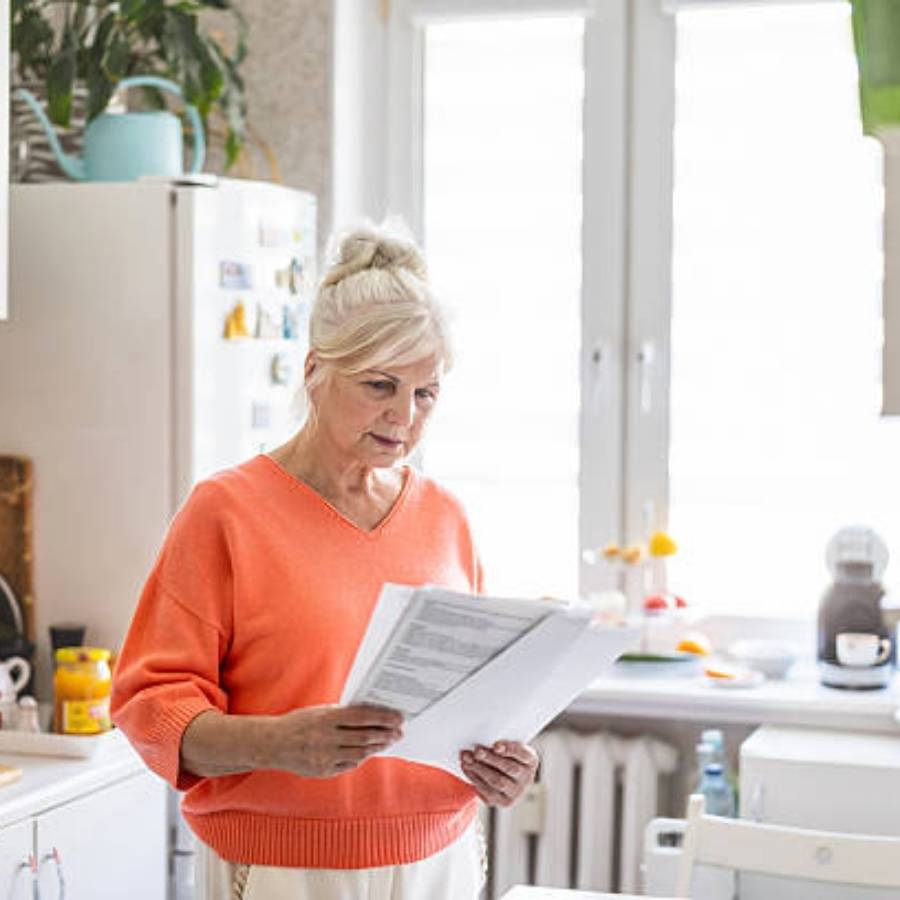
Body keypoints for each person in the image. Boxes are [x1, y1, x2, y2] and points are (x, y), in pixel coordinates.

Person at [111, 223, 539, 900]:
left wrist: (504, 761)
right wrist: (278, 745)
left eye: (426, 394)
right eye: (380, 386)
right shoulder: (225, 512)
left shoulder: (446, 518)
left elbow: (479, 694)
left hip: (441, 863)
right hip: (284, 871)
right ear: (315, 372)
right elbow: (149, 707)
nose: (406, 416)